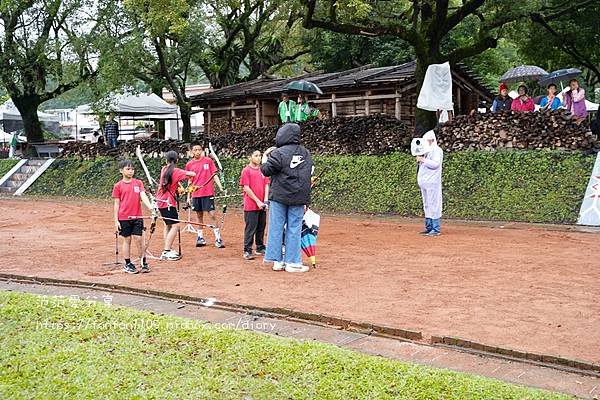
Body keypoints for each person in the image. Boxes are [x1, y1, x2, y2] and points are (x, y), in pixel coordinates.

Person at [261, 123, 313, 273]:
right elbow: (308, 175)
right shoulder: (306, 153)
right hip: (298, 197)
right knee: (294, 228)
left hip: (279, 197)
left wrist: (265, 157)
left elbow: (265, 170)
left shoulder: (278, 153)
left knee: (276, 228)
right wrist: (306, 200)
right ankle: (293, 262)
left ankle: (277, 262)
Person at [112, 159, 154, 274]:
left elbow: (143, 195)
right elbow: (117, 203)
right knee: (127, 240)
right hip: (124, 218)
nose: (131, 171)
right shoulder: (118, 186)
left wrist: (151, 207)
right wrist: (116, 220)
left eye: (132, 169)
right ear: (121, 171)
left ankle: (143, 262)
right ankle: (128, 263)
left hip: (137, 217)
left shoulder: (138, 183)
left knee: (139, 239)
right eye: (128, 169)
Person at [156, 150, 196, 260]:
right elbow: (192, 174)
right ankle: (166, 251)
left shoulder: (164, 169)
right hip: (168, 202)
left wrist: (178, 187)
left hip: (161, 201)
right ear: (176, 160)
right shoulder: (176, 170)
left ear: (166, 160)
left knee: (168, 225)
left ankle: (167, 248)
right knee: (176, 225)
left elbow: (172, 180)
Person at [185, 143, 225, 248]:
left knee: (212, 214)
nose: (197, 152)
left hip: (208, 193)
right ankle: (200, 238)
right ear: (191, 152)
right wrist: (188, 197)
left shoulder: (208, 161)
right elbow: (189, 181)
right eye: (195, 150)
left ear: (202, 150)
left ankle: (218, 238)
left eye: (199, 149)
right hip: (196, 194)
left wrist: (220, 187)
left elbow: (214, 175)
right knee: (199, 215)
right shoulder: (189, 165)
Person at [240, 149, 270, 260]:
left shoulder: (263, 170)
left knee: (261, 226)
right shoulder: (246, 171)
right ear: (250, 157)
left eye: (260, 156)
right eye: (256, 155)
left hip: (262, 204)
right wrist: (257, 201)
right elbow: (246, 187)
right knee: (250, 228)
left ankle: (260, 247)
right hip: (251, 205)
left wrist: (265, 201)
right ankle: (247, 250)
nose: (258, 158)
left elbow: (267, 184)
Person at [417, 130, 443, 236]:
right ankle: (429, 226)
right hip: (425, 181)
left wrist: (423, 160)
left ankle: (435, 228)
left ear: (431, 140)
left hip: (432, 182)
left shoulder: (437, 150)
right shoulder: (426, 151)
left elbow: (435, 164)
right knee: (427, 204)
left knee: (434, 204)